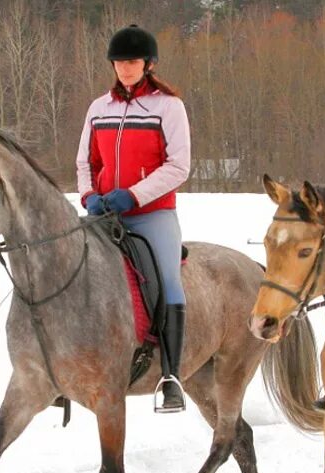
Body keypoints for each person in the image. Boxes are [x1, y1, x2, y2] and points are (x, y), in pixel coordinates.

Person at [76, 24, 191, 412]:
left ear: (148, 64)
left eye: (133, 61)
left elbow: (179, 166)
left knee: (169, 282)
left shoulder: (168, 107)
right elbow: (85, 162)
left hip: (151, 215)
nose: (125, 68)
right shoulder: (99, 108)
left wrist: (133, 195)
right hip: (103, 214)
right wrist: (90, 195)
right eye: (120, 62)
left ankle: (171, 376)